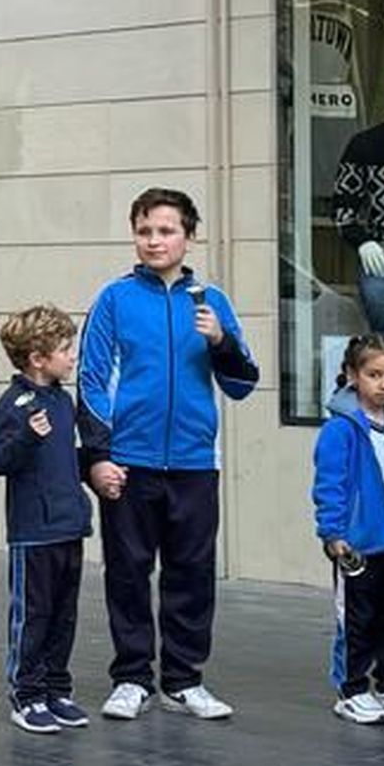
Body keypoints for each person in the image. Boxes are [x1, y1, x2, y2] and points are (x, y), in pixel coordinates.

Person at [79, 187, 257, 722]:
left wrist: (221, 340)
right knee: (128, 571)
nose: (154, 241)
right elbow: (90, 381)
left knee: (192, 572)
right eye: (144, 231)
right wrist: (97, 457)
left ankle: (183, 681)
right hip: (128, 463)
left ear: (188, 235)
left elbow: (244, 382)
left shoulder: (211, 301)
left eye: (165, 230)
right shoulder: (114, 299)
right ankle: (132, 677)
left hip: (195, 463)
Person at [0, 306, 94, 735]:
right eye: (65, 349)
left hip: (69, 527)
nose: (73, 357)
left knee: (64, 615)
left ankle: (56, 688)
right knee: (34, 614)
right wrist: (28, 436)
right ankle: (26, 695)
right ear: (37, 357)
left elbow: (71, 458)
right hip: (33, 533)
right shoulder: (14, 404)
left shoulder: (63, 402)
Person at [311, 332, 384, 726]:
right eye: (374, 374)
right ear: (352, 375)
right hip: (358, 547)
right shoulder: (341, 430)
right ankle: (352, 689)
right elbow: (330, 485)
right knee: (356, 620)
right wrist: (333, 533)